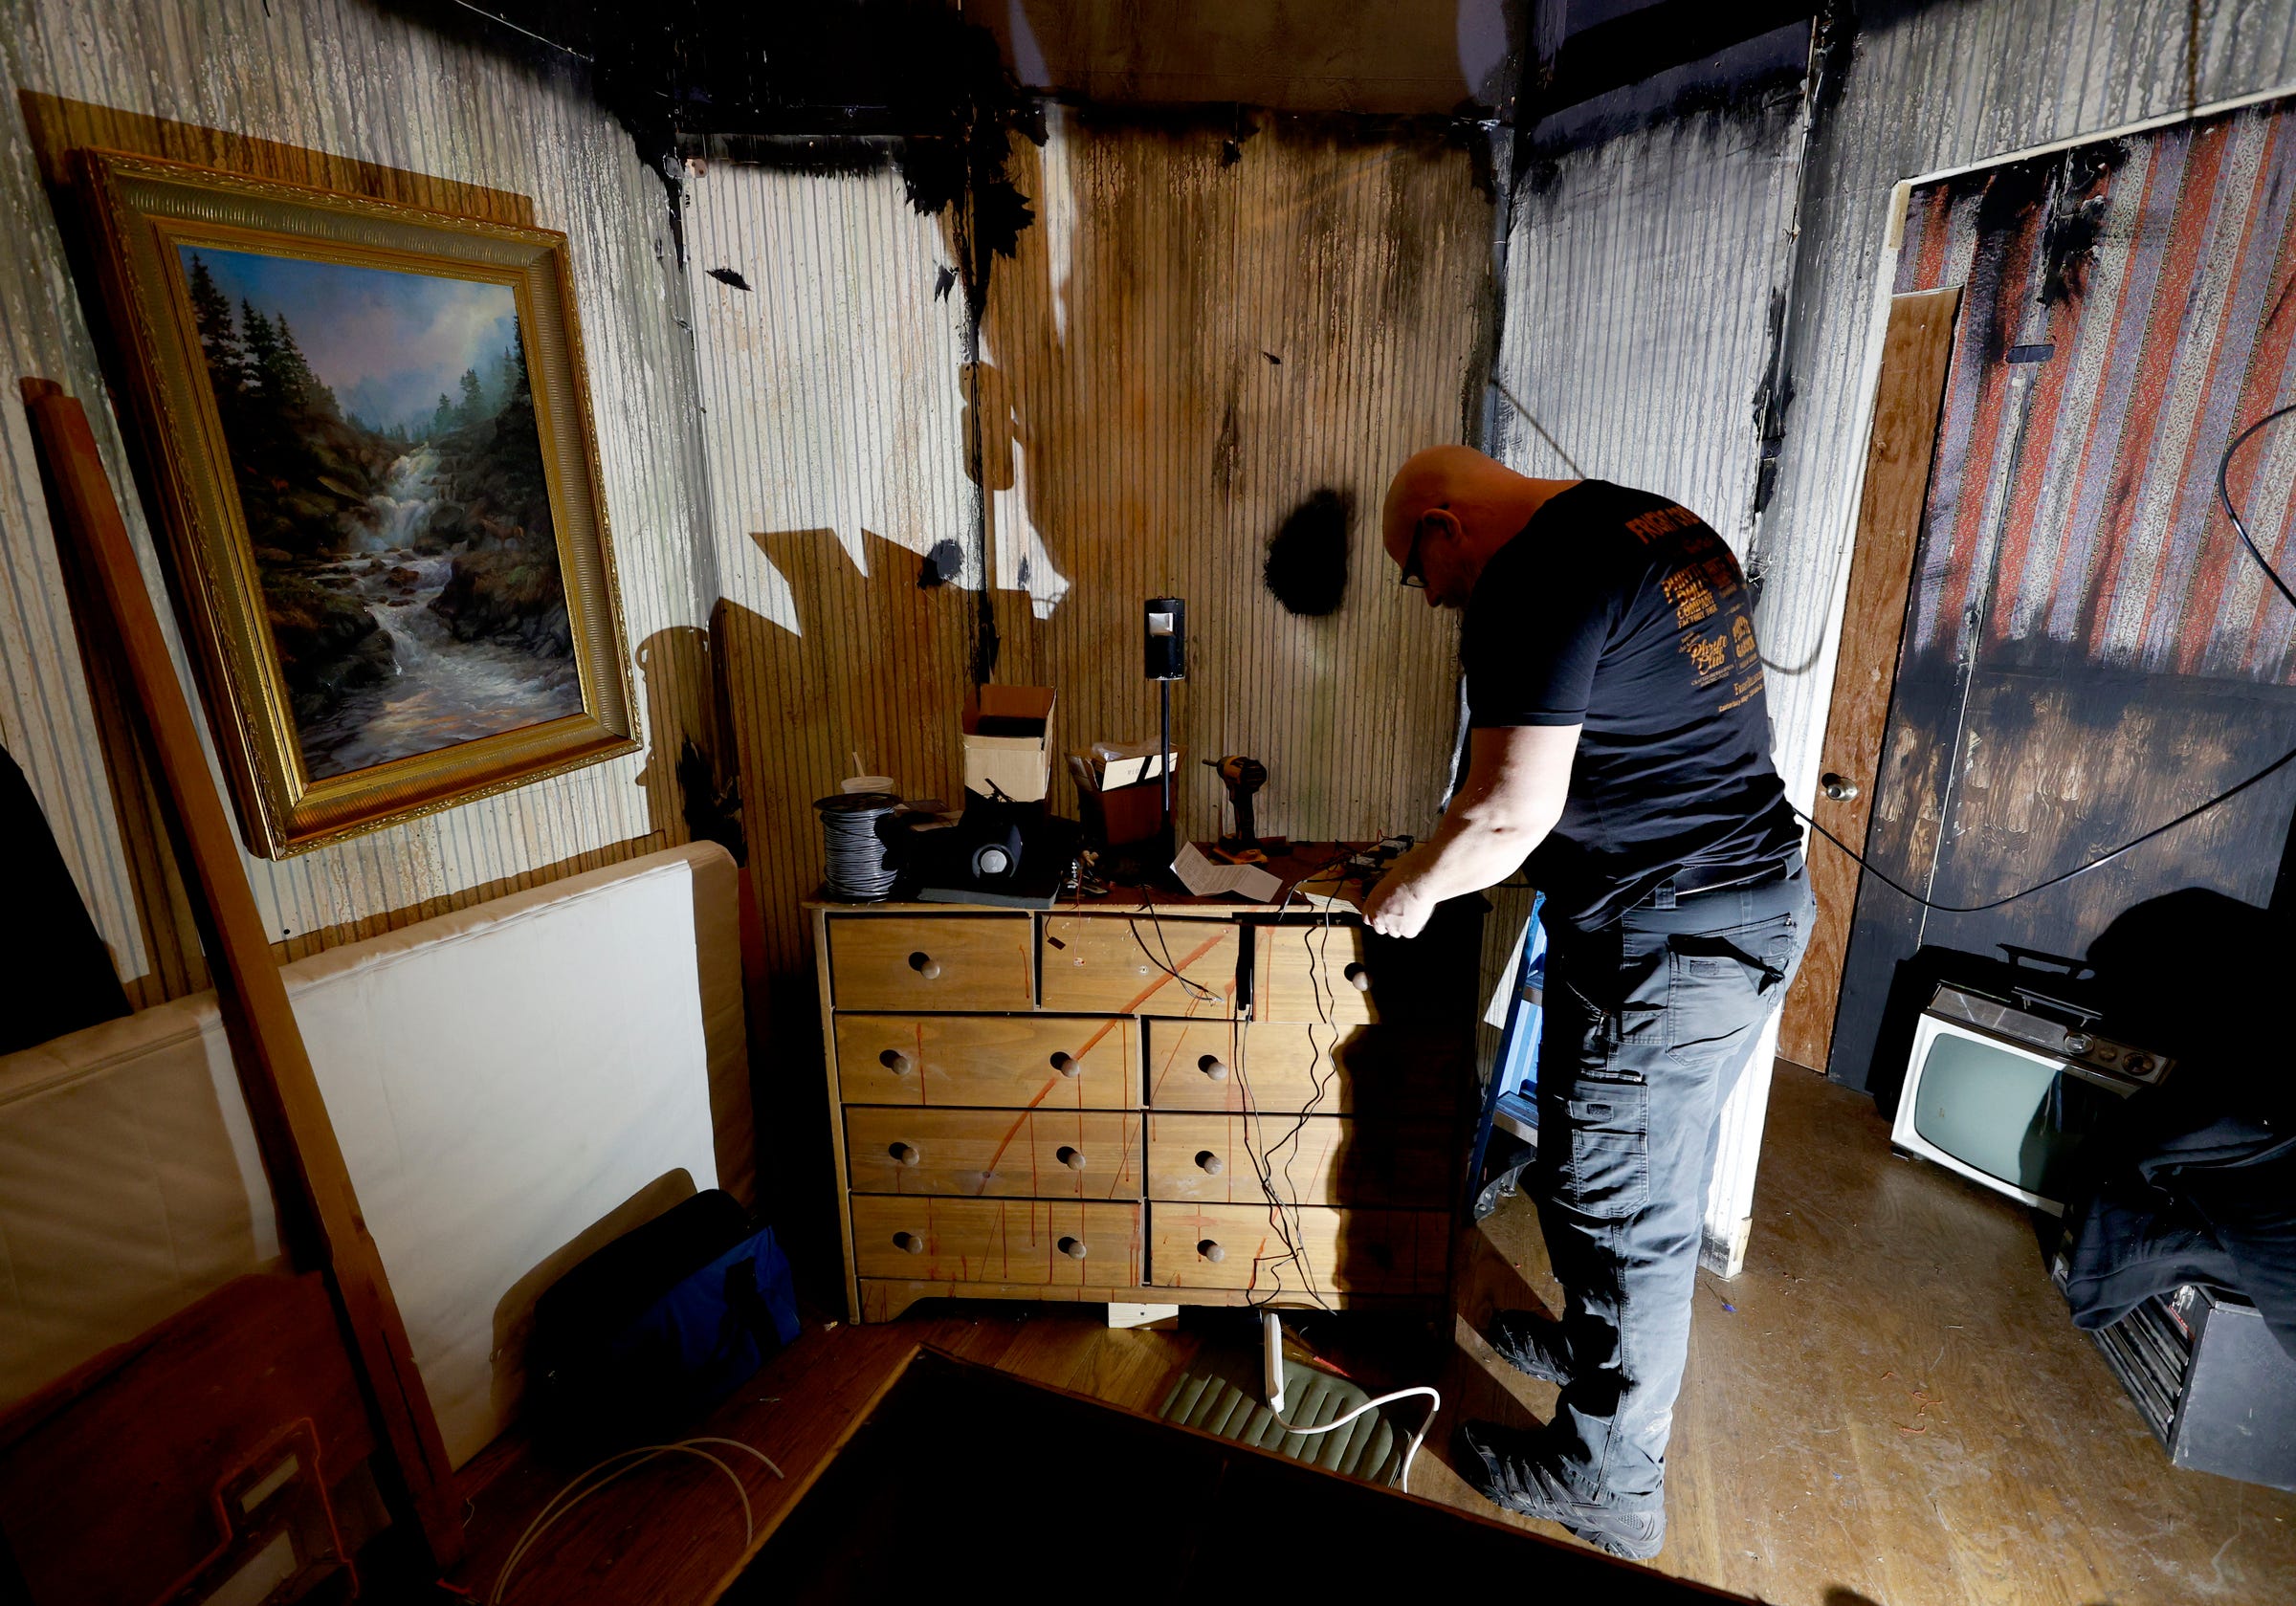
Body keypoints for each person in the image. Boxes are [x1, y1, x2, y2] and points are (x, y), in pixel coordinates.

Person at [1360, 445, 1811, 1560]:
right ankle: (1588, 1342)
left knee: (1630, 1217)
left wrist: (1406, 891)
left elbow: (1510, 811)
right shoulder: (1655, 522)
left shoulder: (1534, 575)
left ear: (1442, 521)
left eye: (1416, 570)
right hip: (1729, 909)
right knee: (1602, 1162)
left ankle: (1606, 1483)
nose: (1429, 598)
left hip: (1673, 936)